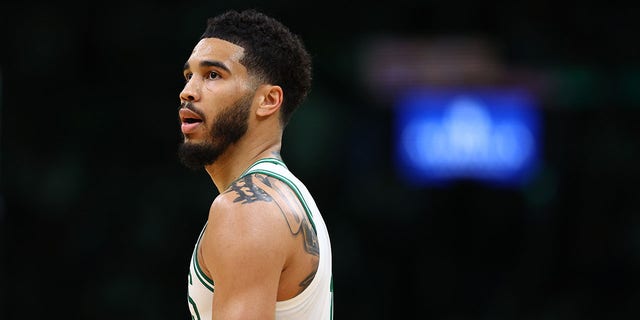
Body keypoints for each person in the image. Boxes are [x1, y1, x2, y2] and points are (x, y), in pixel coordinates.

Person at [177, 9, 333, 319]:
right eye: (188, 76)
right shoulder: (282, 195)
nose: (188, 92)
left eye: (212, 75)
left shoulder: (249, 209)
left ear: (268, 101)